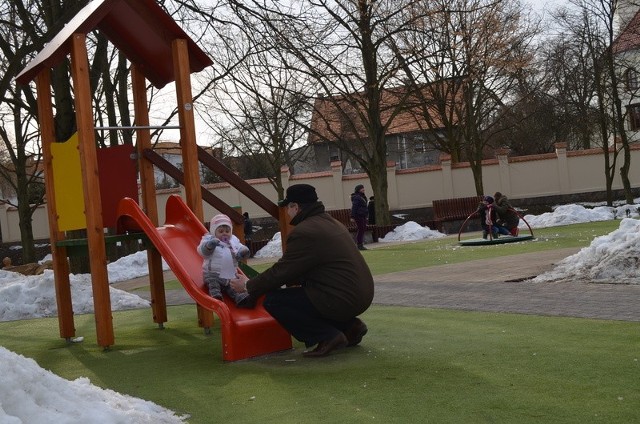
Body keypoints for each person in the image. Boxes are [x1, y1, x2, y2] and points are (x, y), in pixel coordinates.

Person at [230, 183, 374, 358]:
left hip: (342, 298)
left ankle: (328, 336)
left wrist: (248, 286)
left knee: (274, 301)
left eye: (288, 207)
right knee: (301, 297)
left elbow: (282, 271)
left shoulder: (305, 232)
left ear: (295, 207)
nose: (287, 212)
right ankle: (351, 327)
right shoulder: (330, 222)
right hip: (360, 294)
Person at [197, 214, 254, 308]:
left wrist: (243, 252)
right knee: (213, 283)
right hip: (213, 273)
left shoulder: (233, 241)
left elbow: (239, 248)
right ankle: (216, 297)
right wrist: (210, 245)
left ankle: (241, 299)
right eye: (221, 231)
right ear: (213, 231)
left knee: (233, 287)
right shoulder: (209, 239)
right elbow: (202, 252)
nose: (225, 233)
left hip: (230, 275)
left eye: (227, 231)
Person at [351, 184, 369, 250]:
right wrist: (352, 216)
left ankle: (360, 244)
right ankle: (359, 244)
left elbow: (364, 207)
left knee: (363, 229)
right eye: (362, 188)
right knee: (361, 229)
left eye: (363, 188)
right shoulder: (357, 197)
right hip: (358, 216)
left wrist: (366, 215)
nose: (363, 189)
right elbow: (354, 207)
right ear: (358, 190)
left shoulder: (362, 196)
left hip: (363, 215)